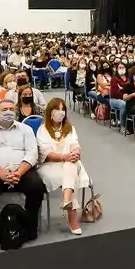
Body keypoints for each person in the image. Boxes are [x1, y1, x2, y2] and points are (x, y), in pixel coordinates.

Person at [0, 93, 45, 244]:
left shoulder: (26, 129)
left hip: (22, 171)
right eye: (4, 109)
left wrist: (18, 172)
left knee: (37, 187)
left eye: (12, 109)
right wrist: (2, 174)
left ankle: (30, 226)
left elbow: (32, 154)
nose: (8, 112)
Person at [36, 98, 91, 235]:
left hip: (71, 163)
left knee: (70, 165)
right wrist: (64, 157)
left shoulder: (69, 128)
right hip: (50, 165)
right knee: (71, 173)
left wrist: (75, 152)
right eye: (57, 109)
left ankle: (67, 200)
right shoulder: (43, 130)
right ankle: (72, 217)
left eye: (63, 109)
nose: (60, 112)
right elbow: (45, 154)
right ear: (50, 112)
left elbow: (75, 144)